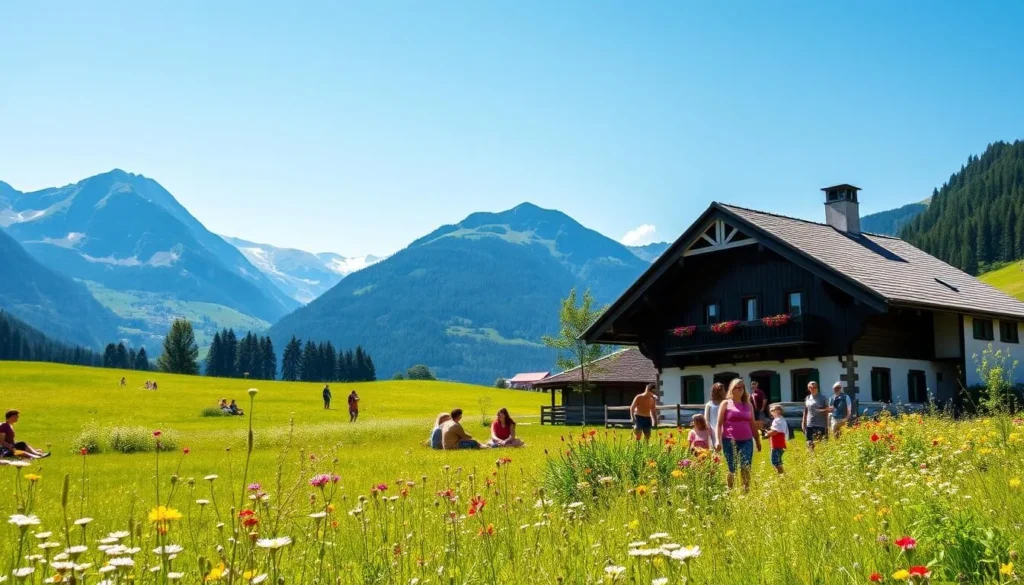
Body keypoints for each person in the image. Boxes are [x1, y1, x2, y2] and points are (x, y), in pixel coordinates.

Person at [715, 378, 761, 492]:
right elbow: (719, 423)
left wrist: (758, 440)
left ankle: (745, 491)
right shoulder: (726, 403)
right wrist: (717, 440)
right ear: (732, 389)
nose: (741, 389)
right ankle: (729, 491)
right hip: (729, 440)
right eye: (738, 387)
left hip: (746, 440)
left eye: (742, 387)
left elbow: (753, 424)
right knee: (732, 468)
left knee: (745, 466)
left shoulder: (748, 405)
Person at [802, 381, 830, 451]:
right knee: (809, 441)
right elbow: (805, 411)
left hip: (820, 424)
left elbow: (827, 410)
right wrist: (803, 422)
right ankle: (811, 458)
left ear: (817, 388)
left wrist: (822, 410)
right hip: (810, 423)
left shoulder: (823, 398)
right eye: (811, 387)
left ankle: (821, 458)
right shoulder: (807, 398)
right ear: (809, 388)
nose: (813, 389)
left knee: (821, 442)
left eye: (815, 387)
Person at [766, 404, 789, 474]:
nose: (771, 412)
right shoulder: (782, 419)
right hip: (781, 443)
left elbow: (775, 432)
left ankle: (781, 475)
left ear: (778, 411)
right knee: (779, 460)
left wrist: (767, 433)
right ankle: (782, 475)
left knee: (775, 461)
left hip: (777, 443)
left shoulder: (777, 420)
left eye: (772, 411)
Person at [703, 382, 726, 450]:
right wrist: (708, 428)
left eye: (723, 389)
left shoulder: (726, 402)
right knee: (715, 448)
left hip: (725, 429)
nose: (723, 391)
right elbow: (706, 419)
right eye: (720, 390)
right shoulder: (709, 404)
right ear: (715, 391)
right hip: (713, 429)